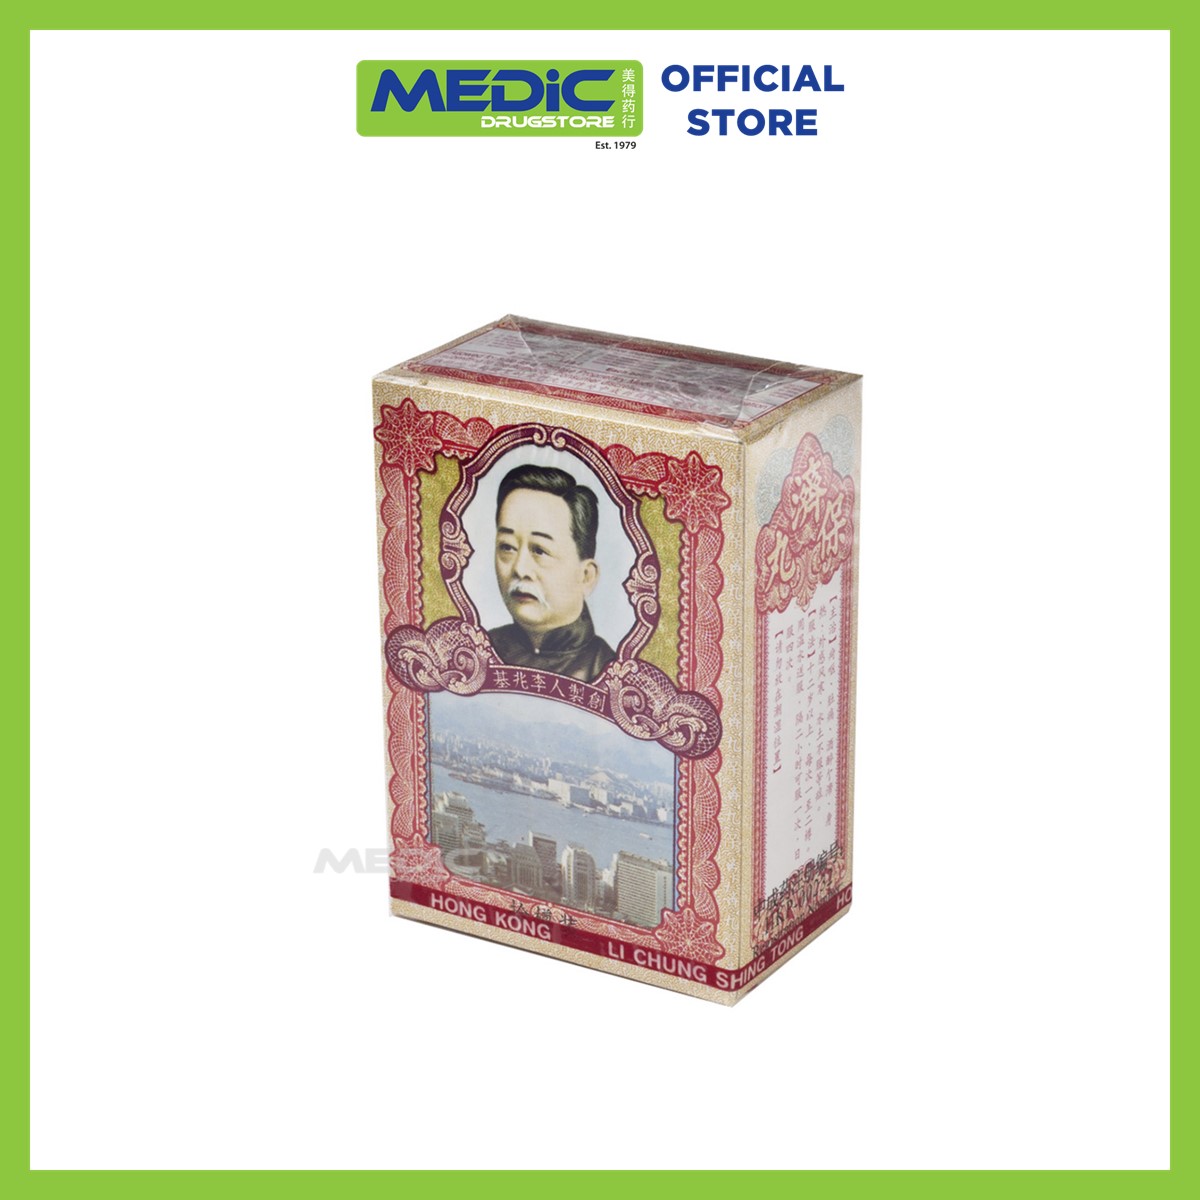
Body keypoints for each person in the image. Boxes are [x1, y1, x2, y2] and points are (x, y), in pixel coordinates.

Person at [487, 464, 617, 683]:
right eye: (507, 547)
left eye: (539, 550)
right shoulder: (480, 649)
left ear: (586, 576)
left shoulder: (608, 673)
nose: (520, 568)